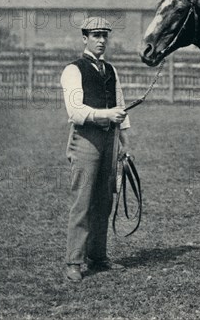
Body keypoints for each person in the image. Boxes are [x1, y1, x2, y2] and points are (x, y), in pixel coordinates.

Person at [60, 17, 130, 282]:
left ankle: (98, 256)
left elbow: (121, 109)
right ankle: (73, 261)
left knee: (104, 200)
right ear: (84, 38)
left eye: (105, 36)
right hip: (85, 141)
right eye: (96, 35)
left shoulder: (111, 70)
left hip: (110, 142)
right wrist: (106, 115)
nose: (101, 40)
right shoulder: (73, 70)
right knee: (83, 201)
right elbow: (75, 112)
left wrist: (125, 146)